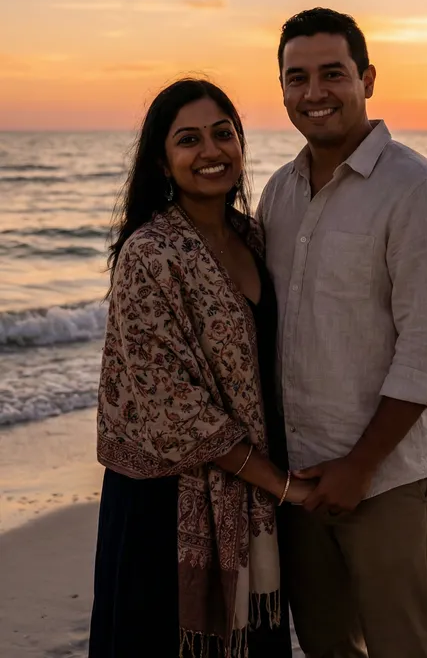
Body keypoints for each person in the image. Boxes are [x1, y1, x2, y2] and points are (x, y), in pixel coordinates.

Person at [257, 8, 427, 658]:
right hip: (297, 483)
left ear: (367, 78)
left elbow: (426, 356)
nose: (313, 93)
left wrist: (358, 467)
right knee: (326, 648)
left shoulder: (416, 190)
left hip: (387, 482)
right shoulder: (278, 194)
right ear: (283, 89)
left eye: (332, 74)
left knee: (404, 648)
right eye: (297, 78)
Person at [89, 78, 312, 658]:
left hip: (245, 496)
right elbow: (170, 402)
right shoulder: (149, 252)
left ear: (241, 144)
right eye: (188, 140)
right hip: (163, 508)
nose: (211, 151)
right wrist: (281, 485)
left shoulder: (251, 237)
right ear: (163, 163)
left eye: (223, 134)